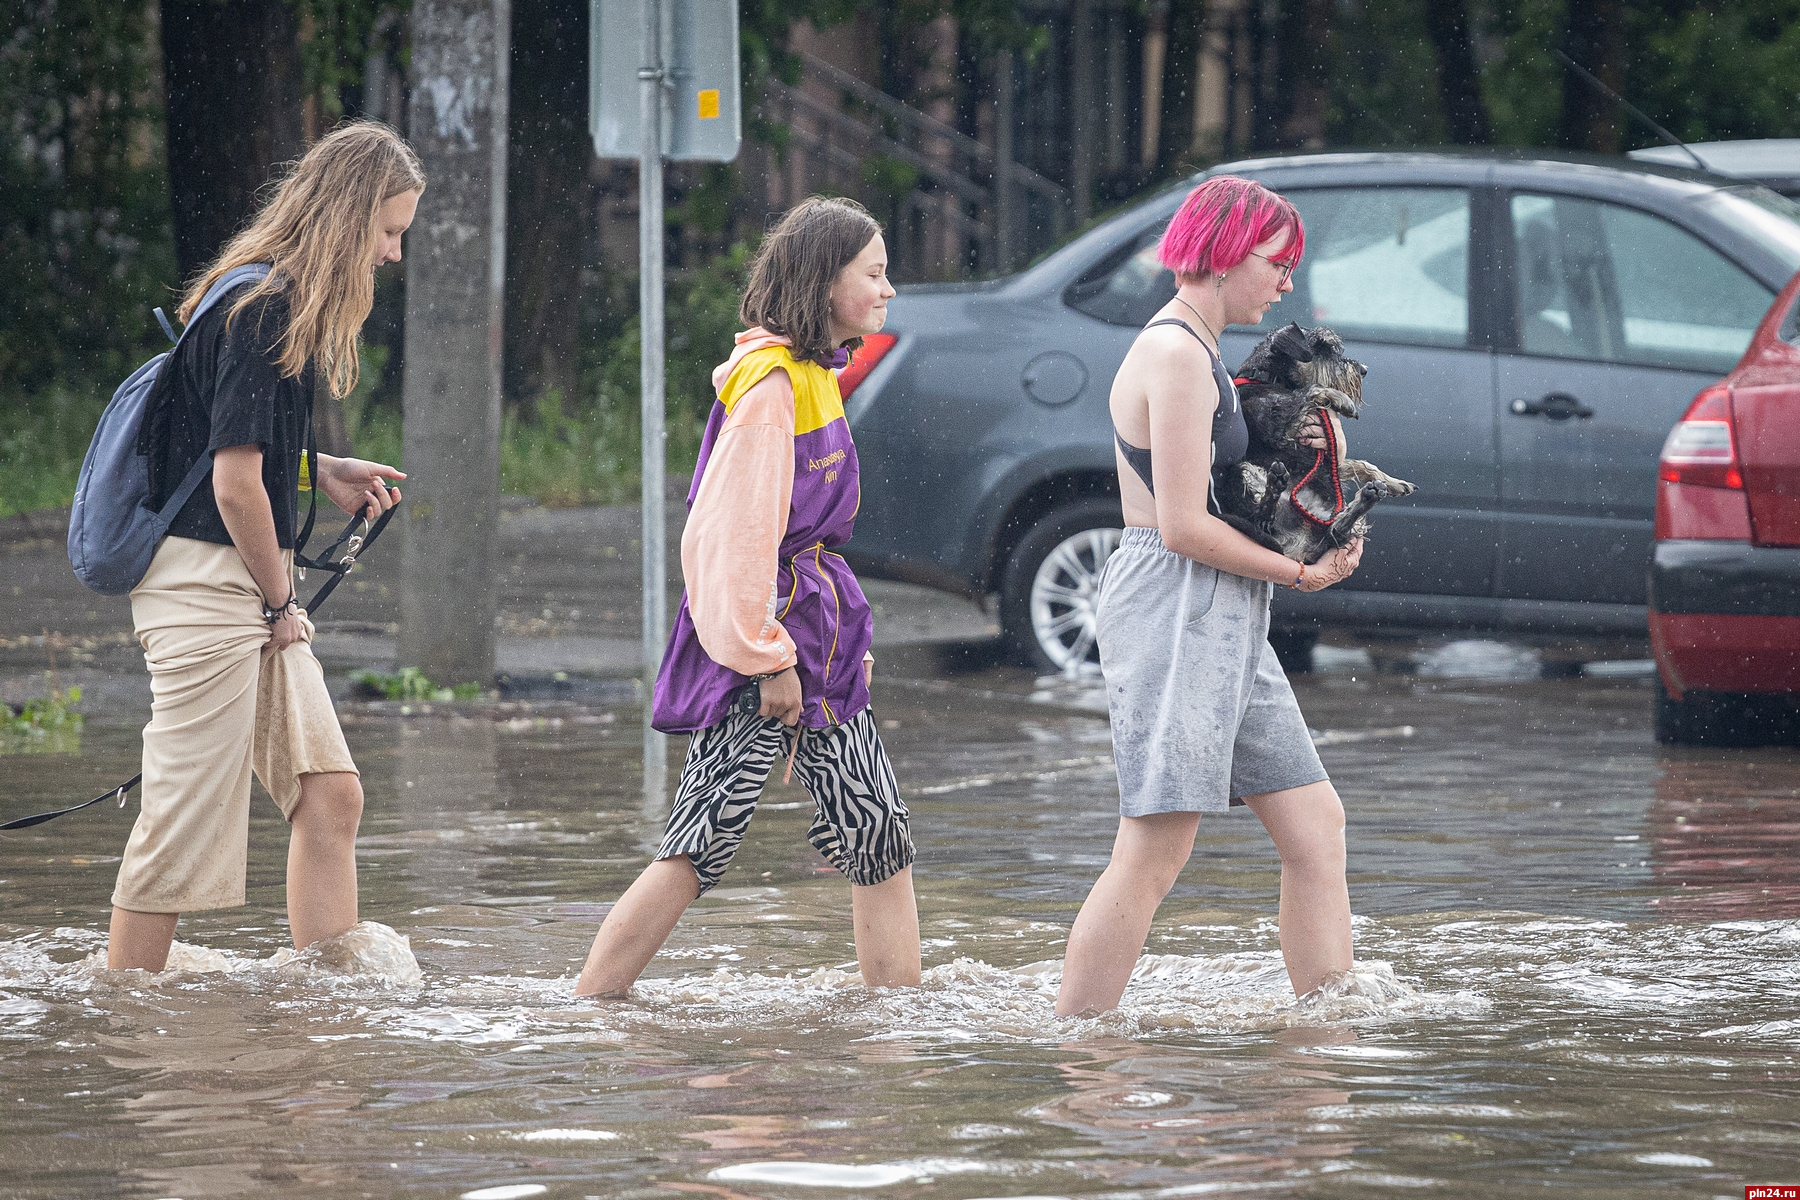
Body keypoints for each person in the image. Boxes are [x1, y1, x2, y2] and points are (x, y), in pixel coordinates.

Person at [575, 197, 919, 997]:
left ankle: (898, 1025)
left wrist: (829, 642)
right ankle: (590, 1010)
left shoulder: (817, 373)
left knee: (878, 834)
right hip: (762, 656)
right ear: (823, 282)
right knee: (700, 845)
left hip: (819, 645)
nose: (889, 289)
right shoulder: (769, 390)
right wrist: (768, 661)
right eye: (874, 273)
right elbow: (728, 541)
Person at [106, 122, 421, 972]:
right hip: (209, 591)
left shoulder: (265, 301)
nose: (393, 254)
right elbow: (234, 485)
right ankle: (121, 1019)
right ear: (349, 219)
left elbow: (234, 453)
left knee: (330, 795)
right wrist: (282, 601)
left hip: (235, 582)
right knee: (181, 822)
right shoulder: (263, 311)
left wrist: (321, 470)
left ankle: (323, 1013)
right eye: (389, 231)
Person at [1055, 176, 1363, 1016]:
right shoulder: (1175, 357)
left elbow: (1216, 501)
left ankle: (1325, 1034)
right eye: (1277, 261)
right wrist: (1303, 572)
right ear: (1226, 255)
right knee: (1153, 852)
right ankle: (1082, 1049)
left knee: (1316, 826)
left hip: (1222, 607)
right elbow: (1184, 526)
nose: (1287, 282)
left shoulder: (1200, 352)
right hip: (1176, 602)